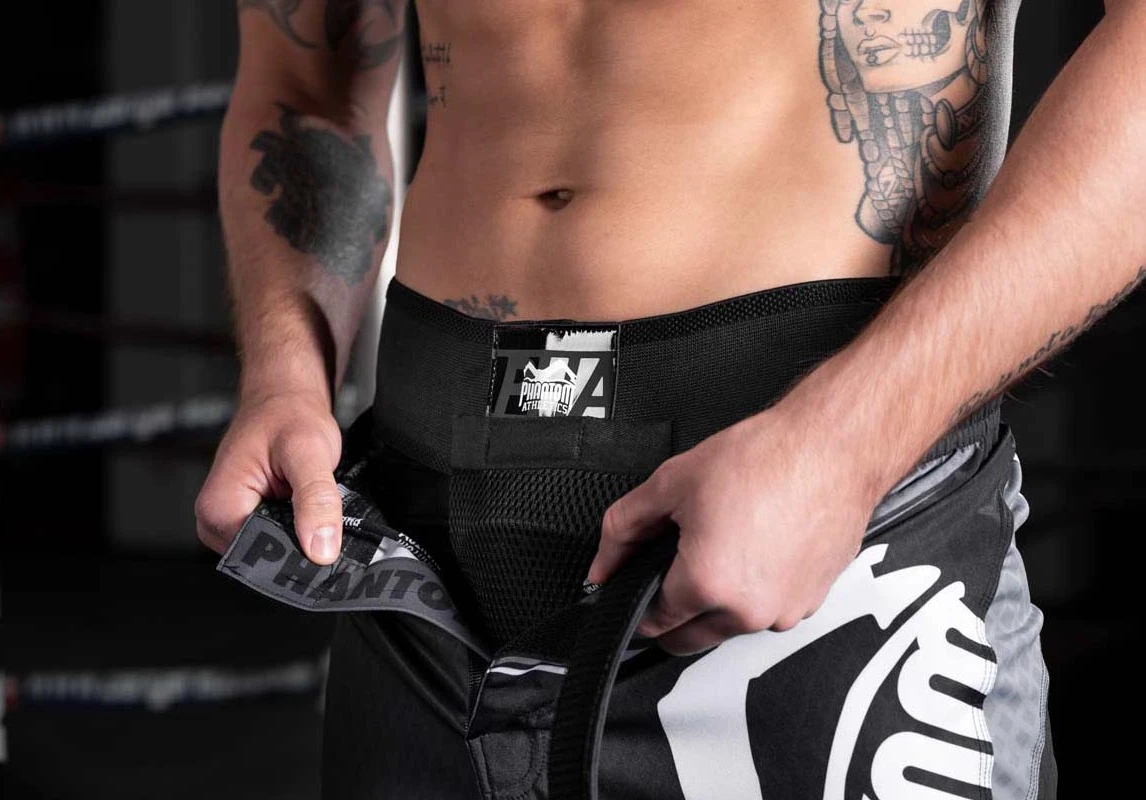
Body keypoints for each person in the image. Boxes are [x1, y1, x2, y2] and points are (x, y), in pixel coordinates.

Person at [196, 0, 1145, 797]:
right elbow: (306, 84)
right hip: (421, 561)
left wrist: (843, 448)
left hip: (827, 544)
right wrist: (286, 369)